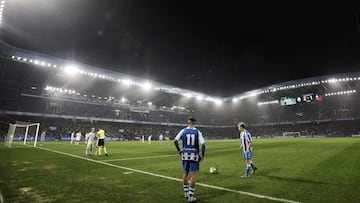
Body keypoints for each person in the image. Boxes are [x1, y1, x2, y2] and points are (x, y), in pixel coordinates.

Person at [174, 117, 206, 202]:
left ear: (188, 122)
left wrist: (179, 150)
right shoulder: (197, 132)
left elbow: (175, 141)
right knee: (193, 175)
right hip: (194, 155)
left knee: (185, 173)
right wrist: (202, 155)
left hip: (184, 154)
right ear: (194, 122)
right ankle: (190, 196)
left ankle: (186, 193)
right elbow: (203, 144)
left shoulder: (183, 131)